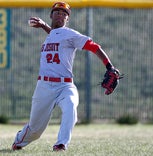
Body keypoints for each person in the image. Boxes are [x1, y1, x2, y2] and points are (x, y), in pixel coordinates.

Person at [12, 1, 119, 151]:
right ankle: (18, 141)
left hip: (65, 85)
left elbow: (94, 47)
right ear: (51, 15)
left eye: (64, 14)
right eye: (57, 12)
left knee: (71, 107)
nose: (61, 15)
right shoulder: (52, 34)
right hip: (44, 87)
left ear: (67, 19)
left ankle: (61, 144)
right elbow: (55, 35)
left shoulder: (70, 34)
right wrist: (44, 26)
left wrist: (109, 66)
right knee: (35, 130)